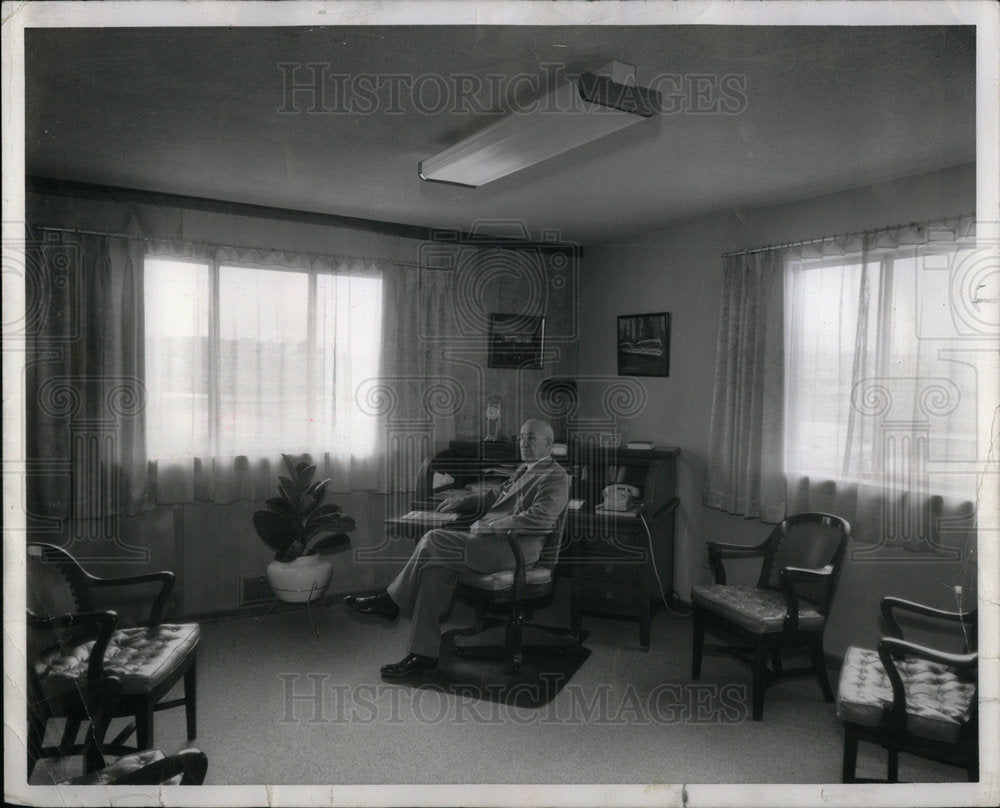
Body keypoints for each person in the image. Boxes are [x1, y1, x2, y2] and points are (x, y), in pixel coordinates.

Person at [344, 418, 570, 677]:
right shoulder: (524, 469)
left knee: (433, 539)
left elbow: (540, 517)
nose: (523, 443)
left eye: (530, 438)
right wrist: (460, 502)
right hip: (492, 545)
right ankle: (422, 655)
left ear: (549, 443)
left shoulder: (556, 476)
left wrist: (492, 526)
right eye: (521, 437)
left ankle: (391, 602)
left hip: (514, 551)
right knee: (434, 571)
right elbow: (494, 497)